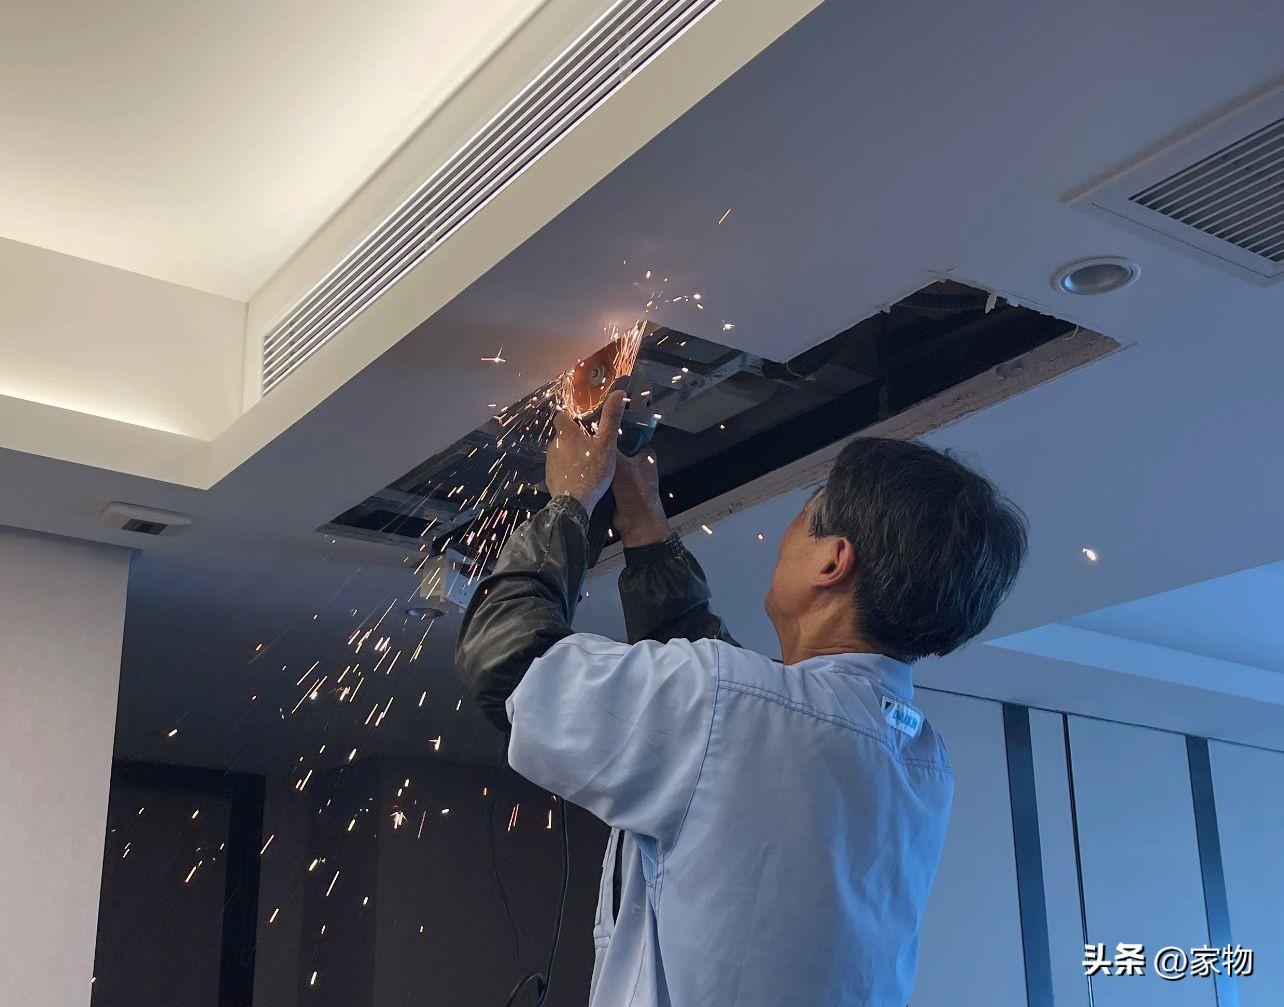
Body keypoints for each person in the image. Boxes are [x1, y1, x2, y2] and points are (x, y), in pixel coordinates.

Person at [456, 391, 1027, 1006]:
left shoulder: (737, 708)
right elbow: (728, 726)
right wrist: (644, 528)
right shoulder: (919, 761)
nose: (786, 536)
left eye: (803, 517)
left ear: (833, 562)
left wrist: (569, 503)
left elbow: (508, 663)